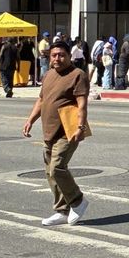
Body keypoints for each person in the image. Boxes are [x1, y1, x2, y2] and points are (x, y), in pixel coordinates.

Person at [22, 40, 90, 227]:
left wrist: (80, 127)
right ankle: (62, 210)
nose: (57, 58)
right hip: (48, 131)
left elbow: (82, 104)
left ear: (69, 56)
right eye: (54, 55)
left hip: (67, 131)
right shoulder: (49, 74)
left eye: (61, 55)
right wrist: (30, 120)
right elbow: (42, 100)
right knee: (50, 173)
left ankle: (77, 201)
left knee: (57, 168)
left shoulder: (77, 75)